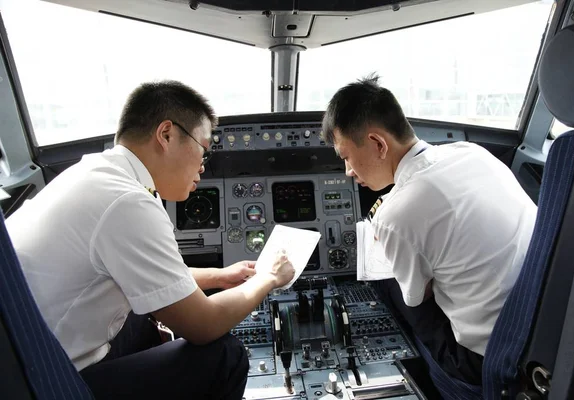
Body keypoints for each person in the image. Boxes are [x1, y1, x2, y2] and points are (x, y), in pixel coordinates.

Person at [6, 80, 295, 399]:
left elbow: (153, 275)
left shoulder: (96, 174)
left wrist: (219, 276)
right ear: (167, 134)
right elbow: (204, 325)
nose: (202, 165)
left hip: (26, 356)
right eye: (203, 150)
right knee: (225, 355)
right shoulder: (126, 202)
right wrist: (268, 279)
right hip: (48, 382)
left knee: (143, 315)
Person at [322, 74, 537, 386]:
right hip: (541, 319)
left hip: (486, 355)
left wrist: (392, 247)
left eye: (346, 157)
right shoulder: (470, 151)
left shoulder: (396, 213)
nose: (348, 172)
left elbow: (417, 296)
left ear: (378, 144)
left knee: (387, 283)